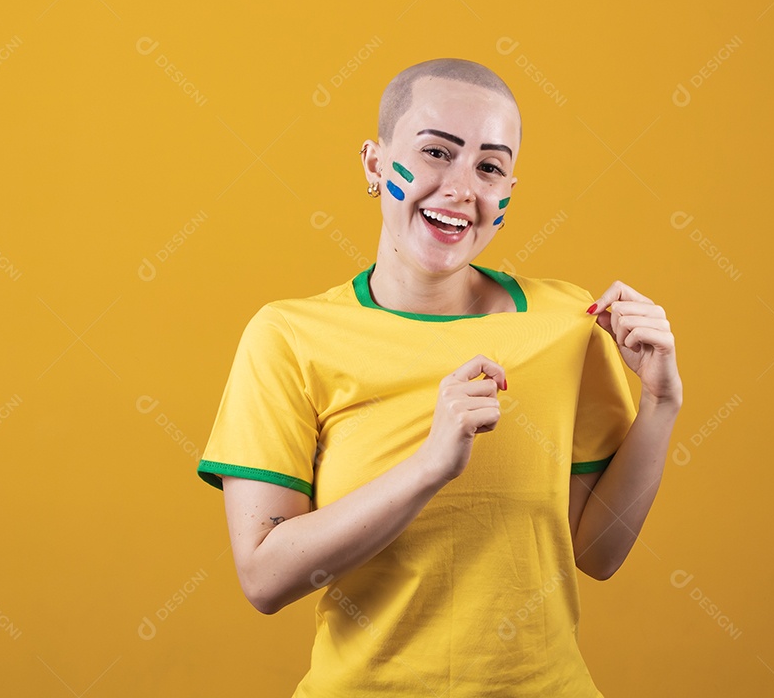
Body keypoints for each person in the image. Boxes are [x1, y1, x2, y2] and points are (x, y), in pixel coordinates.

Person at [196, 57, 682, 697]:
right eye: (436, 153)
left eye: (489, 167)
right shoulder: (287, 336)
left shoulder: (567, 324)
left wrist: (660, 403)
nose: (461, 189)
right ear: (374, 164)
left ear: (509, 188)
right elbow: (265, 578)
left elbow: (598, 554)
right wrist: (429, 466)